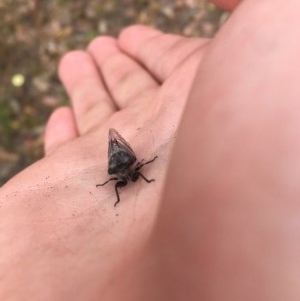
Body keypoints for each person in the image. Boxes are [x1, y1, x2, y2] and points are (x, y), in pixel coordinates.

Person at [1, 0, 300, 299]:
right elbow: (127, 173)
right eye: (129, 176)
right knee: (128, 163)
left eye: (129, 176)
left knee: (133, 162)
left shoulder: (132, 167)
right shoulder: (125, 170)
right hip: (121, 154)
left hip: (123, 154)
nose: (131, 177)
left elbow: (138, 168)